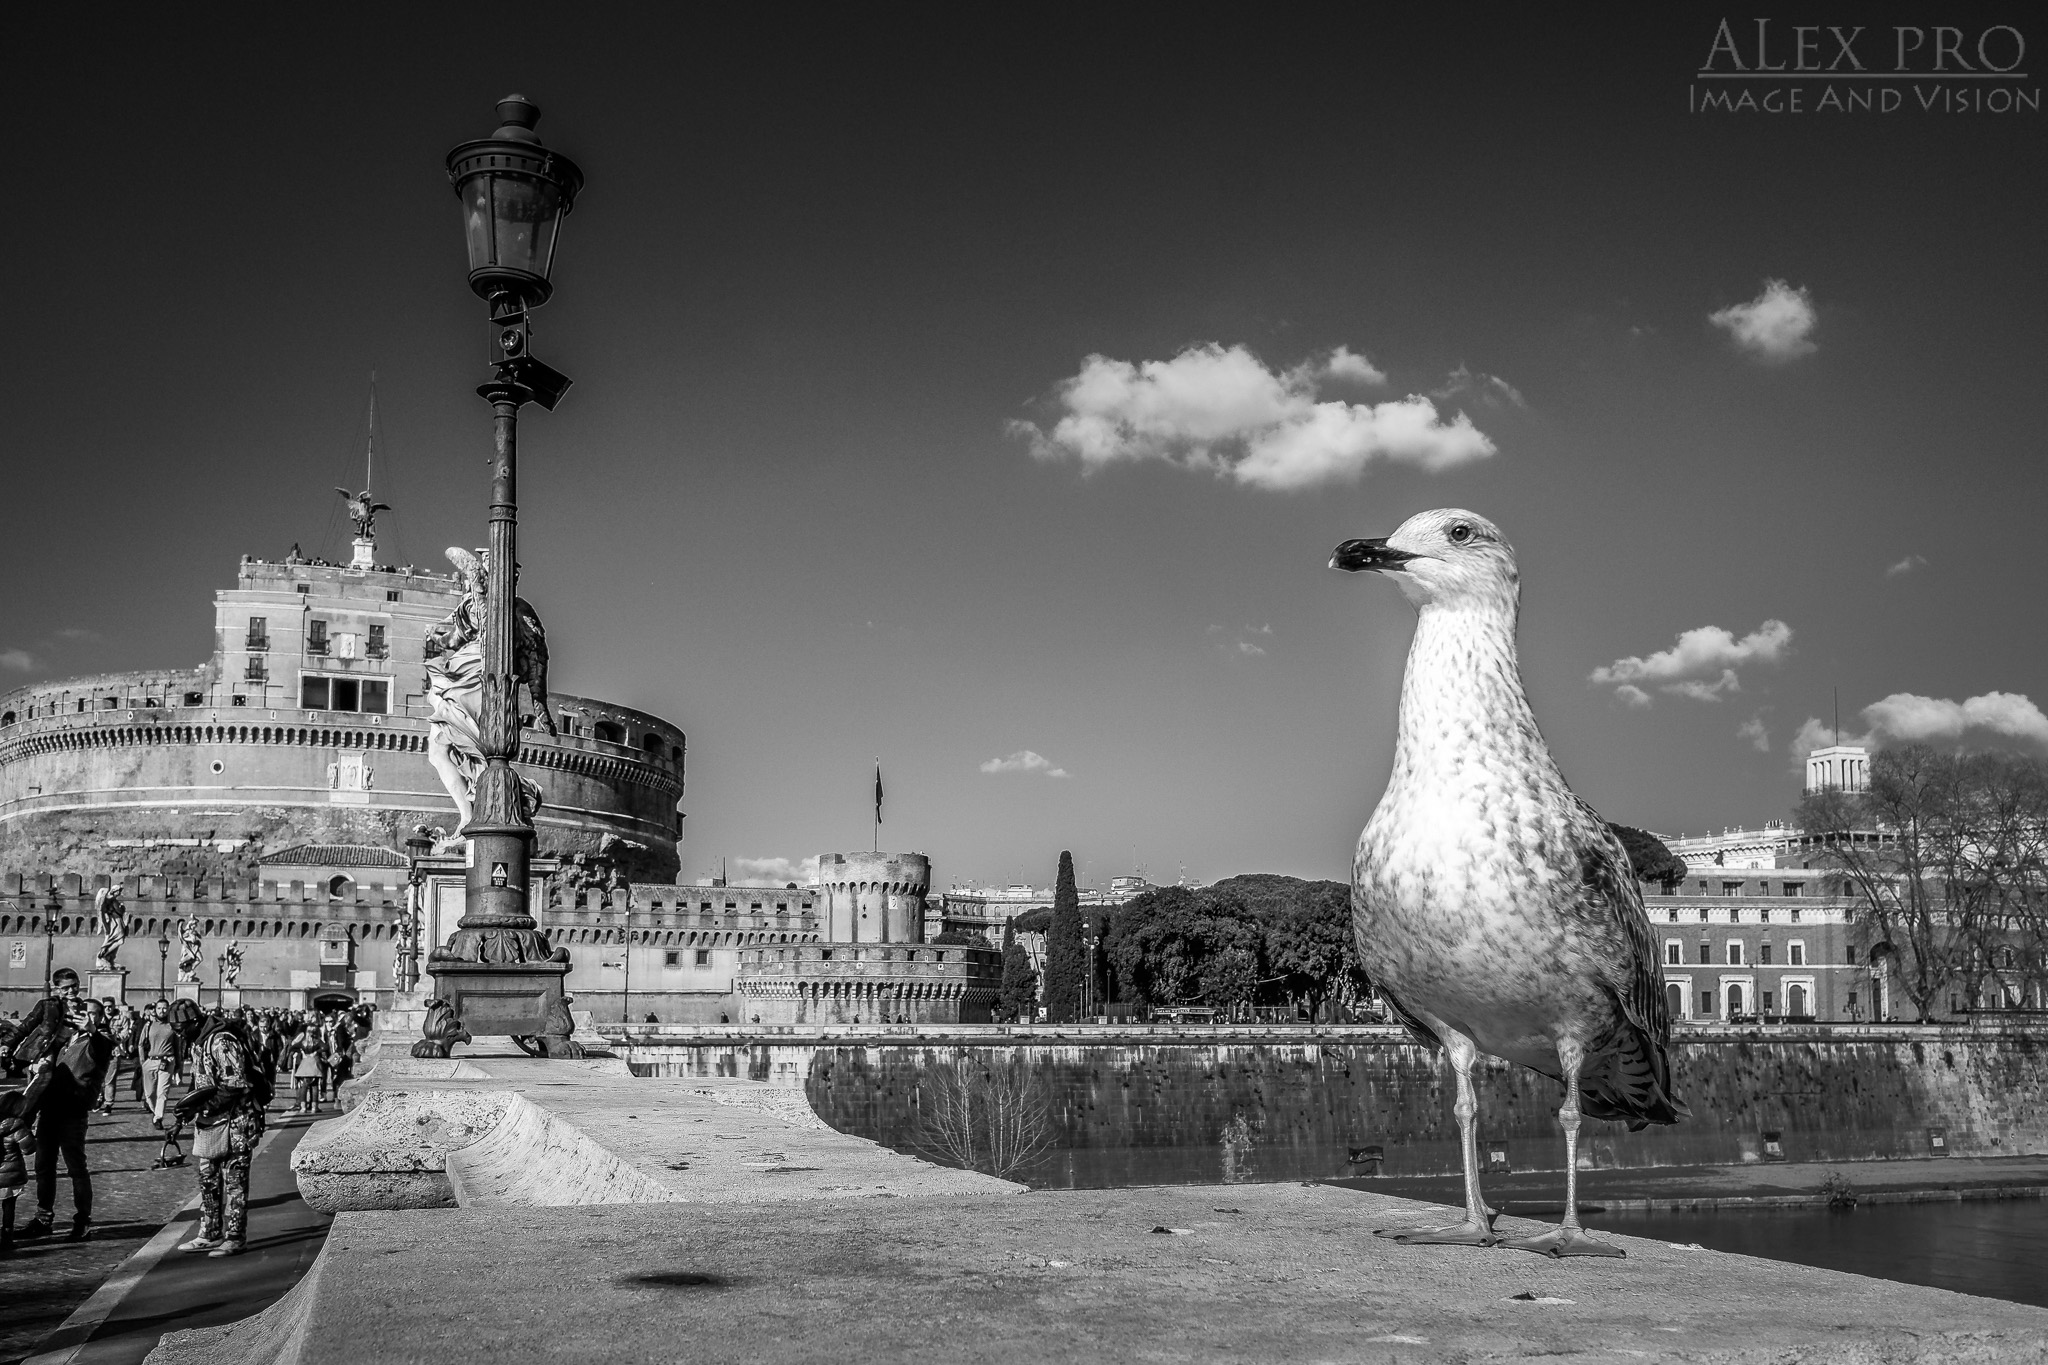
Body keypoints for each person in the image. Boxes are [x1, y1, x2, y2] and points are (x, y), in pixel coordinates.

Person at [12, 978, 113, 1243]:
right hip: (50, 1111)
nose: (87, 1017)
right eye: (84, 1012)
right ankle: (43, 1219)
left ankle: (83, 1222)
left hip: (73, 1114)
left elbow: (101, 1049)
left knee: (75, 1168)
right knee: (43, 1166)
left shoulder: (100, 1042)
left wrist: (92, 1030)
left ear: (100, 1018)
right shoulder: (64, 1040)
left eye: (93, 1014)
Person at [176, 1012, 267, 1258]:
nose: (179, 1033)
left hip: (238, 1121)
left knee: (235, 1181)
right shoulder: (197, 1043)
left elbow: (235, 1083)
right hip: (211, 1123)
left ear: (194, 1023)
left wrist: (206, 1106)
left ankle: (236, 1237)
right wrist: (186, 1110)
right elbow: (198, 1083)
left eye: (181, 1028)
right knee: (208, 1178)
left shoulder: (221, 1041)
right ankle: (210, 1232)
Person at [0, 1090, 35, 1258]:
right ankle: (7, 1238)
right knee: (8, 1206)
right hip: (10, 1174)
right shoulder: (17, 1125)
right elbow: (29, 1149)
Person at [138, 999, 181, 1127]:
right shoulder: (148, 1025)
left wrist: (178, 1066)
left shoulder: (172, 1026)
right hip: (150, 1061)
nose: (162, 1010)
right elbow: (140, 1044)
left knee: (162, 1092)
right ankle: (154, 1111)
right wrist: (142, 1061)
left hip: (167, 1061)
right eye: (159, 1008)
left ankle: (158, 1117)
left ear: (168, 1010)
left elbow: (178, 1047)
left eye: (164, 1008)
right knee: (149, 1094)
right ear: (155, 1010)